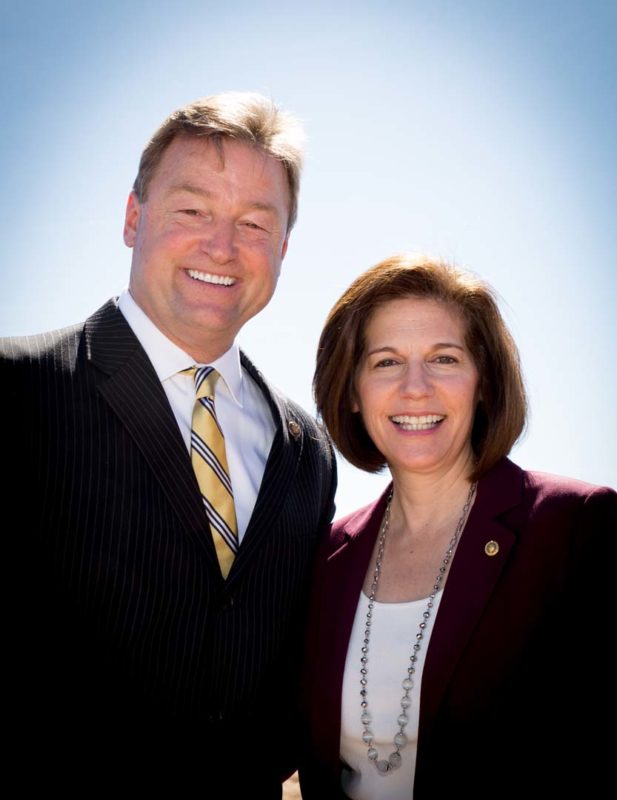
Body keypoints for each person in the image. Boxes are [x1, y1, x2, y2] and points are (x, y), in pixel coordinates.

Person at [2, 92, 336, 795]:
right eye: (192, 211)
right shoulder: (16, 389)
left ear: (282, 248)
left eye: (254, 222)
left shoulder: (306, 452)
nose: (222, 245)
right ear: (133, 218)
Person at [299, 253, 616, 799]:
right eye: (385, 362)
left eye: (444, 359)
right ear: (351, 393)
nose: (415, 387)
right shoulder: (326, 558)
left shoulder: (575, 527)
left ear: (485, 383)